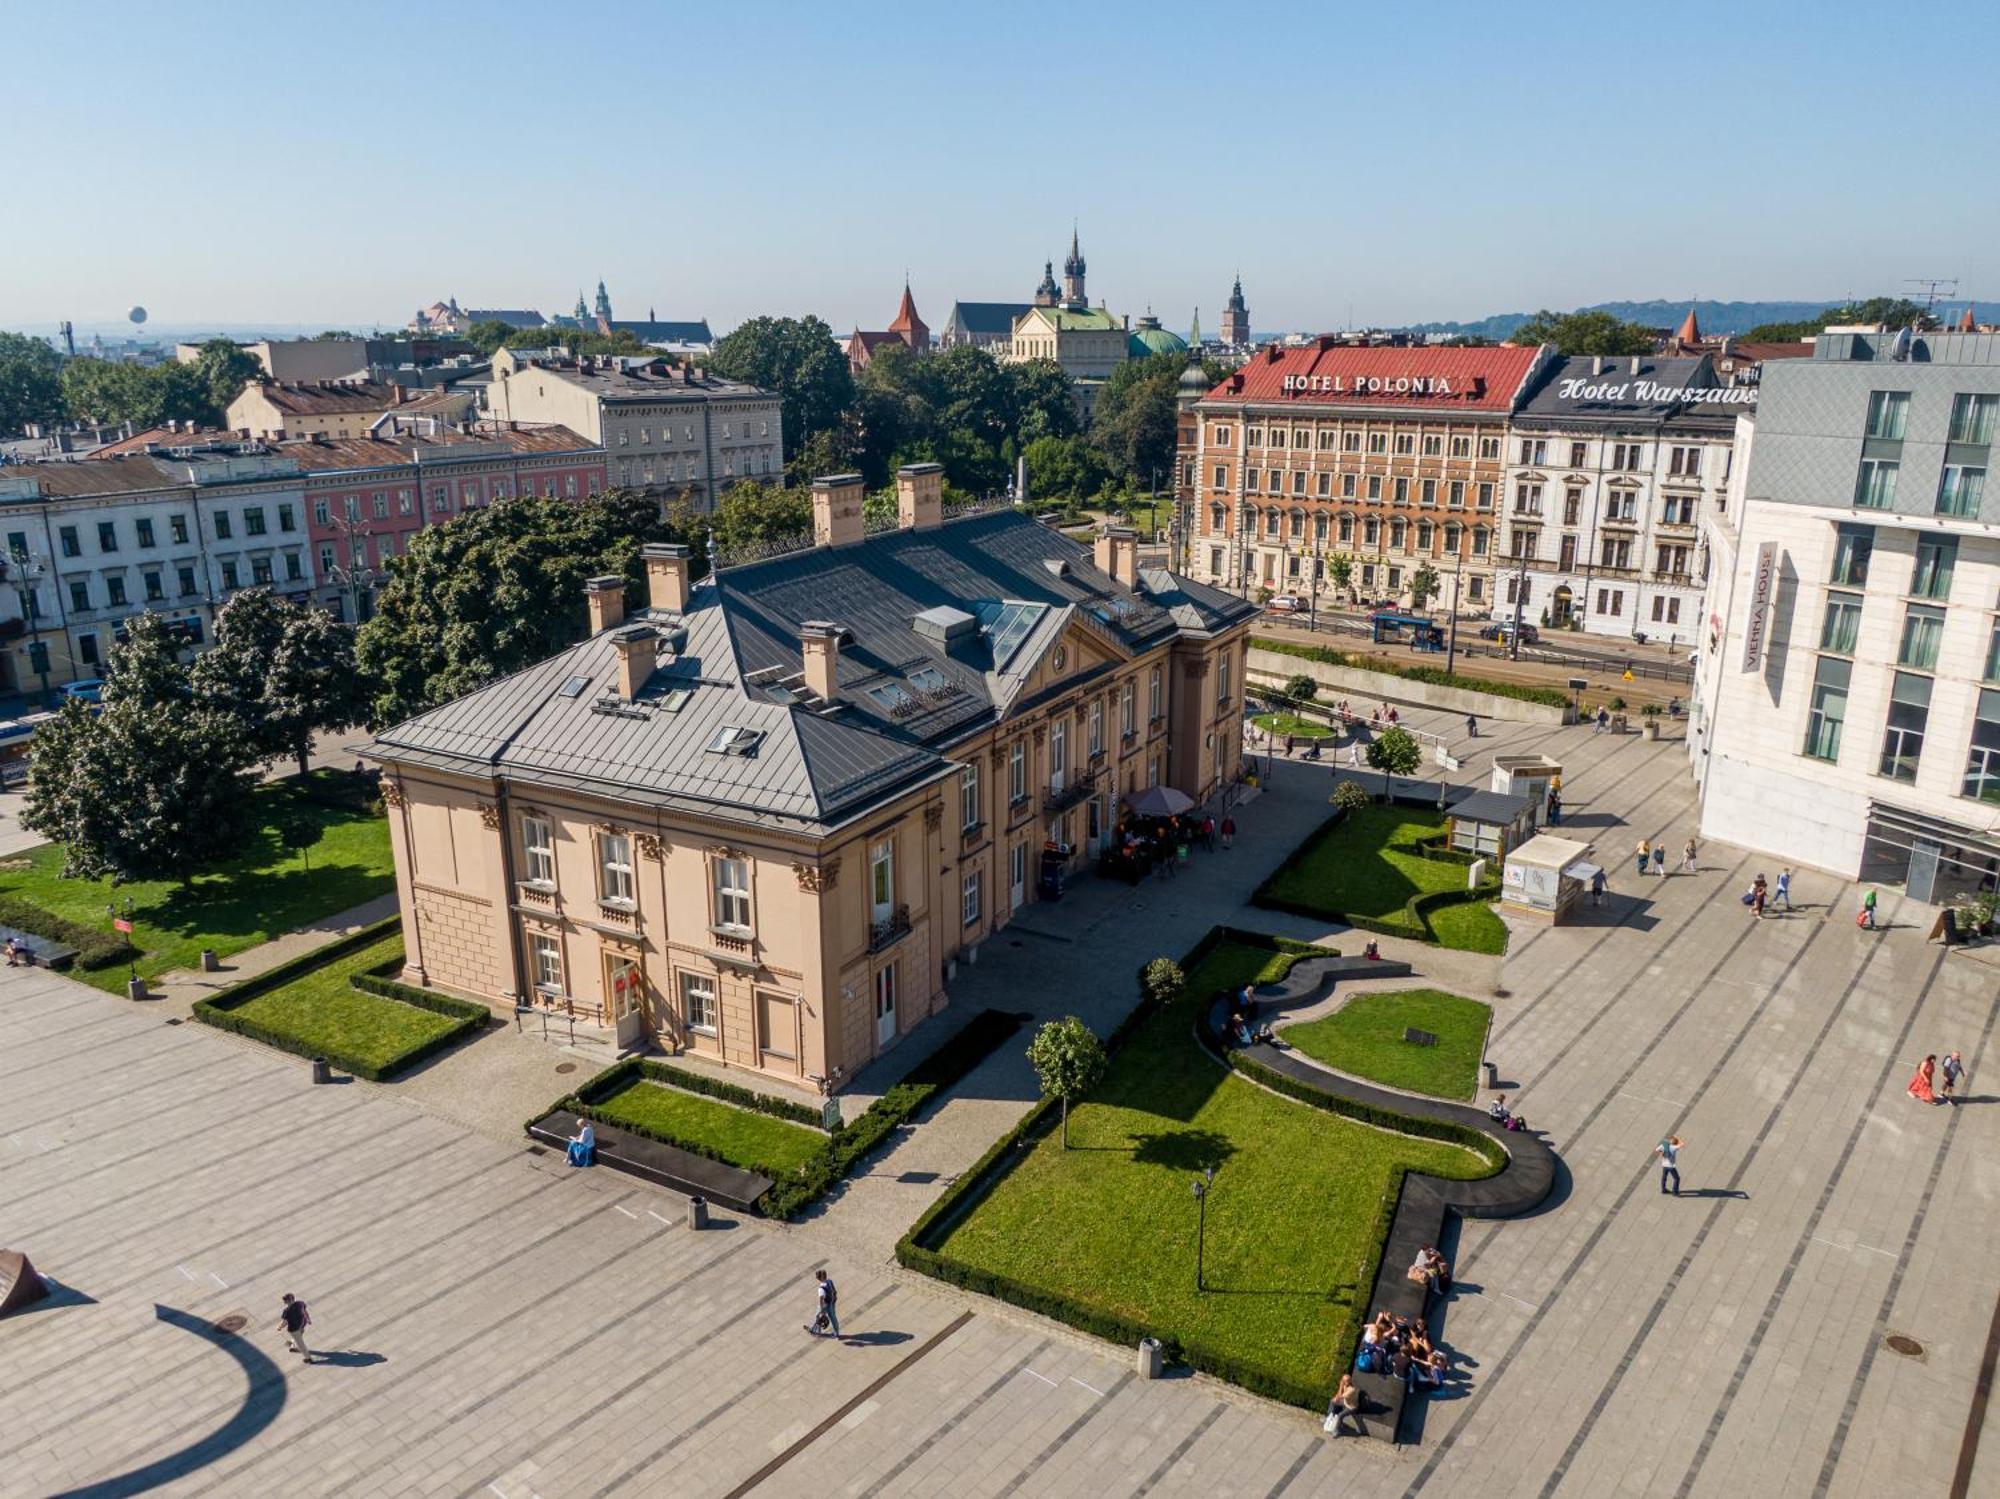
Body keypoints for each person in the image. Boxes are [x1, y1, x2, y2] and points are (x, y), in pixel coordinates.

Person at [278, 1293, 314, 1363]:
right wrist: (308, 1319)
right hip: (302, 1325)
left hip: (294, 1329)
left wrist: (280, 1327)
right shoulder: (300, 1303)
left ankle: (308, 1358)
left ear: (290, 1300)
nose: (284, 1301)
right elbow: (305, 1312)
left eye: (286, 1300)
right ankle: (292, 1346)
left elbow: (285, 1321)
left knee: (301, 1344)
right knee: (298, 1337)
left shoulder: (286, 1311)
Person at [805, 1269, 840, 1337]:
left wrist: (822, 1311)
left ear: (820, 1278)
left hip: (825, 1305)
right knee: (833, 1317)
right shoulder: (829, 1281)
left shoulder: (821, 1288)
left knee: (818, 1316)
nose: (817, 1278)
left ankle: (816, 1331)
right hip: (832, 1302)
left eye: (818, 1277)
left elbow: (821, 1300)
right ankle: (836, 1332)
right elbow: (834, 1290)